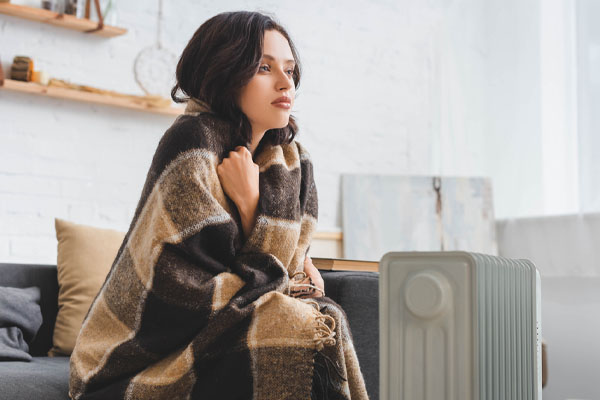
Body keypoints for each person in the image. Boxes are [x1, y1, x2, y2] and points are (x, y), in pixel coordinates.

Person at [69, 11, 369, 400]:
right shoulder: (192, 143)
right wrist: (274, 252)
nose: (285, 83)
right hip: (139, 355)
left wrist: (252, 205)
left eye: (290, 70)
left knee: (322, 319)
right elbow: (183, 291)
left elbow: (292, 271)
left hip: (227, 322)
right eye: (264, 67)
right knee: (288, 324)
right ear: (226, 72)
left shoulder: (292, 162)